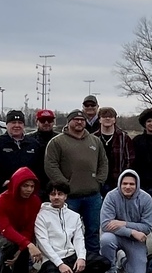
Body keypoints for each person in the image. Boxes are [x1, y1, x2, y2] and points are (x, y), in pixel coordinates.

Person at [44, 109, 107, 256]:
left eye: (82, 120)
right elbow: (51, 165)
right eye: (75, 119)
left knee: (92, 231)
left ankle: (93, 260)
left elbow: (103, 162)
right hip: (70, 198)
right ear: (68, 121)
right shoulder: (57, 142)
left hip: (93, 196)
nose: (79, 122)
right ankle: (70, 260)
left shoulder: (95, 141)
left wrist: (99, 181)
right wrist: (64, 185)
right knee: (68, 233)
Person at [34, 181, 109, 273]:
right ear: (49, 196)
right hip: (52, 259)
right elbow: (43, 243)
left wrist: (81, 258)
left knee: (104, 263)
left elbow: (79, 239)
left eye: (60, 194)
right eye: (53, 194)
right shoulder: (41, 216)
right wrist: (60, 264)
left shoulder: (74, 216)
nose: (56, 197)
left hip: (70, 256)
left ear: (66, 196)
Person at [0, 166, 43, 273]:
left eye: (32, 186)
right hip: (0, 234)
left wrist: (22, 249)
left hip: (22, 235)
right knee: (9, 245)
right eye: (25, 186)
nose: (29, 190)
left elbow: (29, 228)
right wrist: (28, 245)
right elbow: (6, 229)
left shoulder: (35, 201)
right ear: (17, 185)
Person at [94, 169, 152, 273]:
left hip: (135, 240)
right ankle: (110, 272)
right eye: (124, 183)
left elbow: (147, 227)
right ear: (120, 184)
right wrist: (131, 232)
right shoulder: (111, 196)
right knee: (106, 239)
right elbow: (106, 224)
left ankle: (122, 260)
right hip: (116, 236)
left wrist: (124, 223)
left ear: (137, 185)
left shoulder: (146, 199)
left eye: (131, 184)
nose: (128, 187)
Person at [0, 110, 45, 199]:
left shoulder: (34, 144)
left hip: (28, 195)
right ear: (7, 125)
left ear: (23, 125)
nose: (17, 125)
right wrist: (2, 182)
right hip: (1, 194)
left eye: (20, 122)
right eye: (13, 122)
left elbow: (40, 170)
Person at [96, 106, 135, 195]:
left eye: (111, 116)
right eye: (104, 116)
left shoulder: (124, 138)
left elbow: (129, 160)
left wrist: (123, 179)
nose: (108, 118)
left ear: (114, 120)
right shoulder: (93, 138)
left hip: (117, 182)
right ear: (99, 119)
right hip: (98, 183)